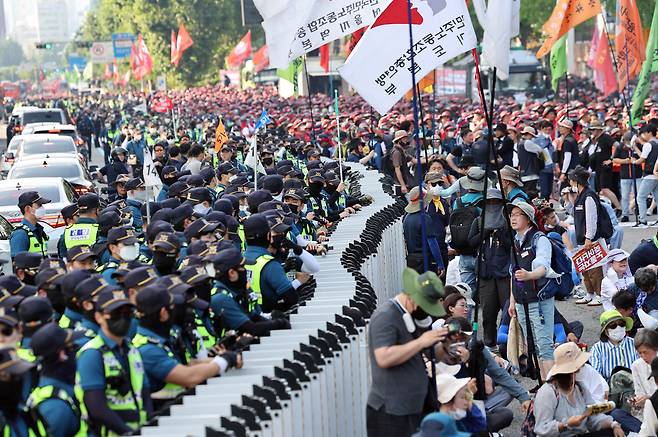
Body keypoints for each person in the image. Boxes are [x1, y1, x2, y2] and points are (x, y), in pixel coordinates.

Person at [133, 285, 241, 411]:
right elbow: (189, 377)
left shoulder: (159, 339)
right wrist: (224, 361)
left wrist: (223, 357)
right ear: (163, 314)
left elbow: (186, 365)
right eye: (172, 307)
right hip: (165, 418)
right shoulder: (148, 349)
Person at [366, 268, 447, 437]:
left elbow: (429, 353)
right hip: (391, 412)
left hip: (413, 407)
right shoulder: (386, 317)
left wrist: (447, 346)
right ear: (413, 299)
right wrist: (420, 342)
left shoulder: (412, 317)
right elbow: (383, 357)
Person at [76, 288, 152, 436]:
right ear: (99, 317)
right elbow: (97, 408)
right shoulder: (92, 354)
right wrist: (129, 433)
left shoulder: (132, 350)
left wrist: (149, 426)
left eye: (127, 313)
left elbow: (145, 393)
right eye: (116, 314)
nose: (123, 319)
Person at [508, 201, 556, 379]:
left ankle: (552, 387)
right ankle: (543, 383)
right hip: (521, 301)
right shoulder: (514, 241)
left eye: (517, 214)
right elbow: (512, 274)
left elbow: (544, 267)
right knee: (531, 344)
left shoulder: (539, 239)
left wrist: (530, 275)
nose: (513, 218)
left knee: (544, 344)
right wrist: (512, 300)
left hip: (539, 298)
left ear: (528, 219)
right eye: (511, 215)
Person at [534, 342, 624, 437]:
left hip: (579, 434)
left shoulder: (579, 387)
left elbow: (593, 417)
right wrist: (566, 424)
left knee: (610, 432)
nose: (582, 368)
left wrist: (613, 425)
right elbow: (542, 428)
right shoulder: (548, 392)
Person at [208, 247, 291, 336]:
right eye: (243, 267)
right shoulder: (220, 297)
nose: (245, 271)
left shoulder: (235, 291)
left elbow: (254, 317)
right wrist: (279, 323)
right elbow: (250, 328)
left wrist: (275, 319)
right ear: (232, 273)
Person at [27, 322, 85, 437]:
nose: (76, 351)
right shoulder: (56, 407)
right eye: (72, 346)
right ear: (62, 354)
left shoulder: (61, 390)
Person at [243, 213, 308, 313]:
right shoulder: (269, 264)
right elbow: (291, 298)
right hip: (270, 320)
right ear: (269, 236)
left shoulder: (239, 259)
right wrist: (299, 281)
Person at [570, 166, 609, 306]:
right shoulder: (580, 196)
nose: (570, 182)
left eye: (572, 179)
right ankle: (590, 293)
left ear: (577, 181)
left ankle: (599, 294)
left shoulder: (589, 196)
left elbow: (591, 218)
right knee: (585, 269)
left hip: (591, 240)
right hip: (583, 239)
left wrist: (589, 238)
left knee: (595, 269)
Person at [589, 310, 639, 381]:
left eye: (621, 324)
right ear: (605, 331)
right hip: (609, 389)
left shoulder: (635, 343)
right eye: (613, 326)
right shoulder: (597, 349)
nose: (618, 328)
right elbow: (596, 375)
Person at [9, 191, 51, 258]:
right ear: (27, 209)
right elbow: (18, 264)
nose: (42, 208)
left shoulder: (38, 230)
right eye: (39, 205)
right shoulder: (20, 234)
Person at [612, 132, 641, 223]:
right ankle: (625, 214)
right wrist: (625, 161)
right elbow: (615, 159)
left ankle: (639, 211)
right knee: (625, 196)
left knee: (639, 194)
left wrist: (636, 160)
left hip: (637, 174)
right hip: (625, 175)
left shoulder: (638, 146)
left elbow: (643, 156)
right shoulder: (620, 147)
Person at [634, 124, 658, 226]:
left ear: (649, 133)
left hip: (649, 174)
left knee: (641, 197)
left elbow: (642, 159)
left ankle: (642, 220)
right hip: (656, 174)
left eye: (644, 133)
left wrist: (634, 162)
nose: (643, 135)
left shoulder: (649, 145)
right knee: (657, 197)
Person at [390, 130, 414, 194]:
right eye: (404, 138)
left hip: (405, 182)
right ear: (399, 140)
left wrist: (429, 159)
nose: (406, 140)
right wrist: (403, 185)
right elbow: (397, 170)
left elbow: (415, 161)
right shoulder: (396, 152)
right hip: (399, 184)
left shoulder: (402, 151)